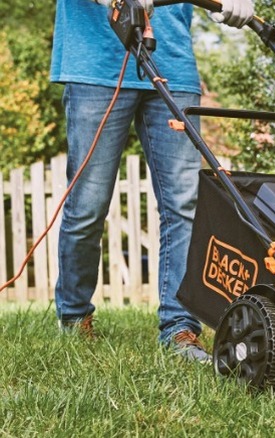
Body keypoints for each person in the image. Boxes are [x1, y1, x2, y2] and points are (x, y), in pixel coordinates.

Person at [49, 0, 255, 362]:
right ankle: (74, 315)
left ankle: (180, 327)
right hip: (95, 64)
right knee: (88, 204)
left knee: (185, 204)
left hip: (171, 63)